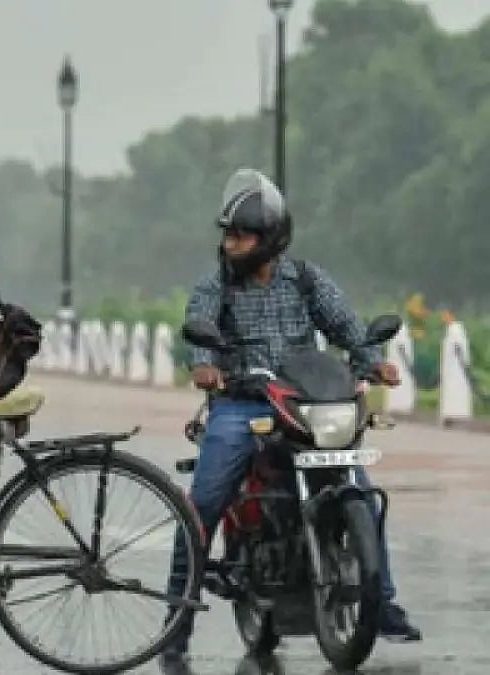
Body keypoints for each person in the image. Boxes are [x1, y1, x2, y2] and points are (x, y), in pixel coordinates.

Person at [160, 168, 422, 672]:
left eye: (241, 235)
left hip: (307, 404)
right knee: (204, 502)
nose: (231, 243)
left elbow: (348, 328)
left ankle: (381, 603)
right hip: (242, 405)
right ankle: (176, 622)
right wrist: (204, 365)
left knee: (359, 488)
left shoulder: (305, 279)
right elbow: (198, 329)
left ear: (270, 239)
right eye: (228, 235)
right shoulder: (218, 286)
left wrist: (372, 363)